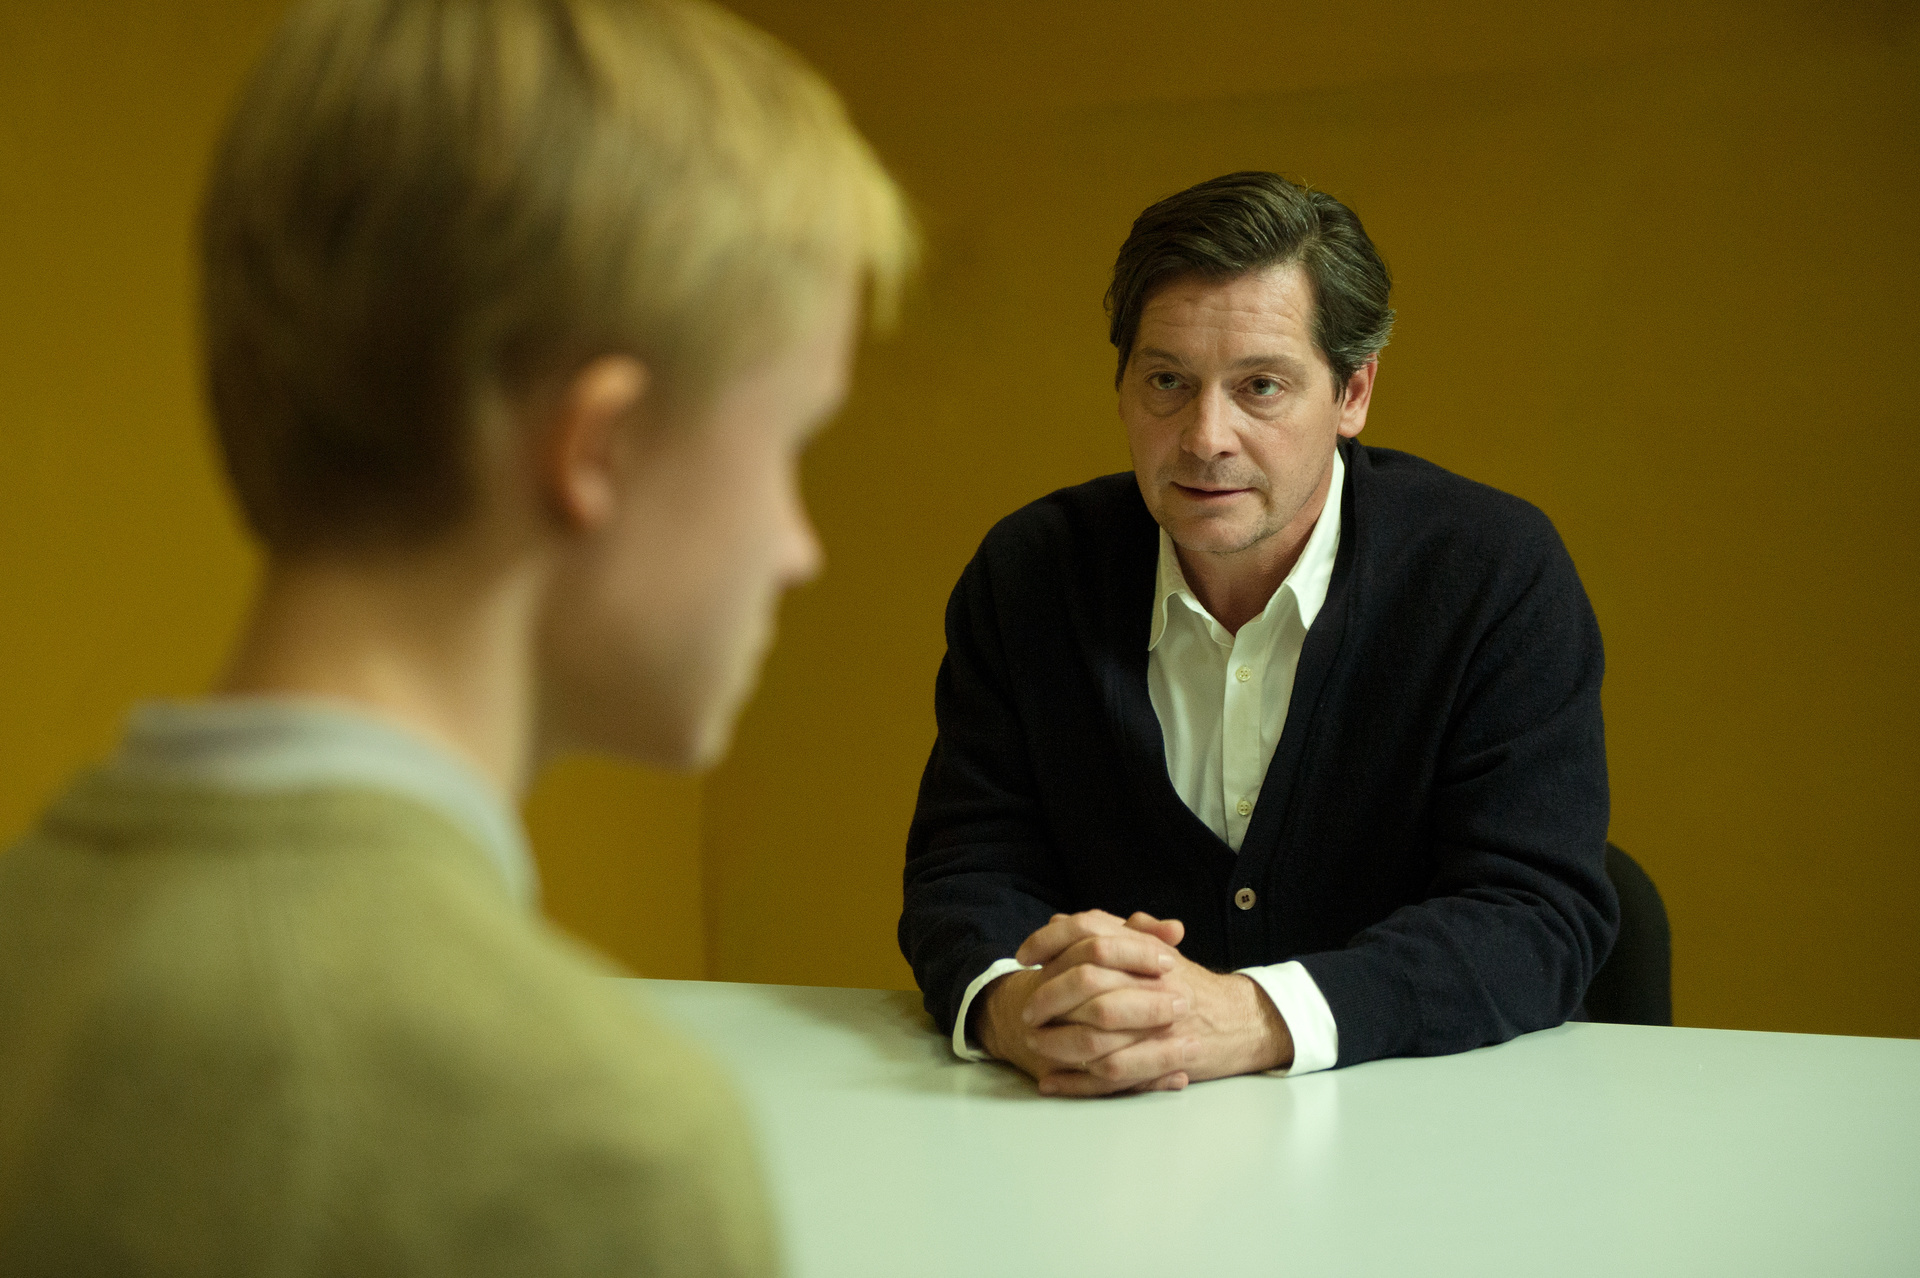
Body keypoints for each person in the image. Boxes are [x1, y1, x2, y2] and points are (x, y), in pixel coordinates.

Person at [0, 0, 911, 1272]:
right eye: (790, 446)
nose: (796, 547)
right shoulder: (594, 1148)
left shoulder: (34, 943)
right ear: (599, 449)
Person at [900, 171, 1615, 1098]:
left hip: (1435, 1132)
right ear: (1121, 387)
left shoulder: (1491, 574)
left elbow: (1535, 915)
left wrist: (1251, 1017)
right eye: (1167, 382)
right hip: (1110, 1138)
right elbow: (965, 871)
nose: (1206, 437)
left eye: (1261, 387)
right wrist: (1019, 1008)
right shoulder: (1030, 573)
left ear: (1353, 393)